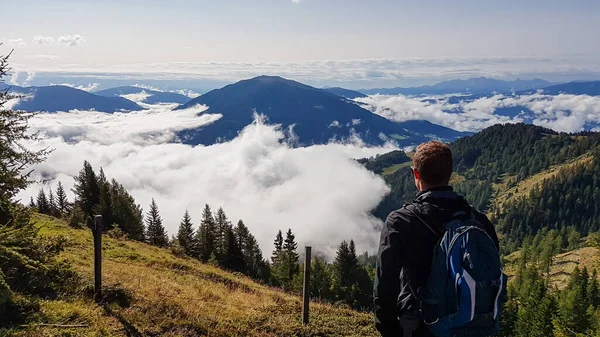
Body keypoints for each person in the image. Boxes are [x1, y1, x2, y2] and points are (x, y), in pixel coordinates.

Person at [373, 141, 500, 337]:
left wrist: (389, 330)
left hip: (418, 328)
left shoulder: (400, 221)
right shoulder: (479, 222)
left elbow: (384, 286)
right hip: (470, 329)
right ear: (450, 173)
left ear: (416, 174)